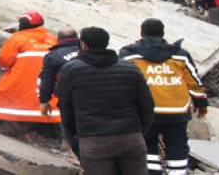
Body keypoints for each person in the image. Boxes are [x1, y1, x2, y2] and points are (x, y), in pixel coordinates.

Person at [56, 27, 154, 175]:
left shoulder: (71, 69)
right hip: (130, 137)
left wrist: (75, 131)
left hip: (93, 139)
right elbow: (146, 103)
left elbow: (65, 104)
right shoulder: (130, 69)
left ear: (83, 44)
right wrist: (140, 130)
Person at [120, 18, 208, 175]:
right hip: (176, 111)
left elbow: (121, 80)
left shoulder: (129, 55)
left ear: (141, 33)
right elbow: (194, 82)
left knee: (148, 146)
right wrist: (201, 103)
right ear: (163, 33)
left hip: (145, 112)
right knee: (177, 145)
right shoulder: (180, 55)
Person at [0, 11, 59, 124]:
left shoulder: (18, 38)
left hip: (20, 84)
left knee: (1, 92)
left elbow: (4, 61)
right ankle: (60, 135)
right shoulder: (53, 40)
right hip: (46, 88)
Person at [37, 28, 81, 155]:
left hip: (68, 96)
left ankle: (68, 145)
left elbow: (46, 81)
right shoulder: (86, 51)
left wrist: (44, 101)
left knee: (68, 121)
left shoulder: (53, 56)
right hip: (93, 94)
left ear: (59, 39)